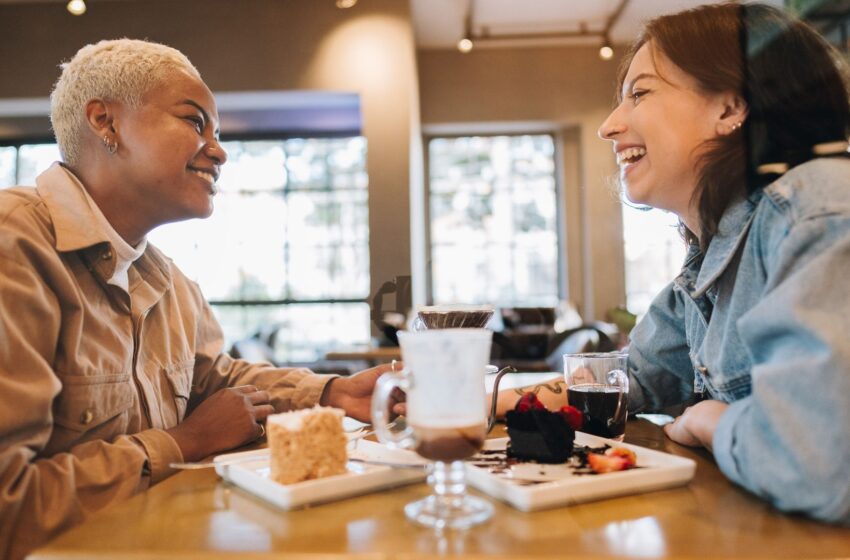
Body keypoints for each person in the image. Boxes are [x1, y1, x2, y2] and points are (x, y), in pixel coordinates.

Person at [0, 39, 393, 560]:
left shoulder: (168, 280)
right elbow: (10, 507)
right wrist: (183, 443)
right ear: (105, 123)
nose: (220, 150)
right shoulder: (15, 249)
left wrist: (333, 394)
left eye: (217, 131)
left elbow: (217, 380)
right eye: (195, 122)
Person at [497, 3, 850, 524]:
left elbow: (817, 463)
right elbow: (626, 378)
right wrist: (467, 398)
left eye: (639, 93)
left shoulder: (816, 209)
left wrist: (709, 421)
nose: (609, 127)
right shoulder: (710, 255)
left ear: (731, 108)